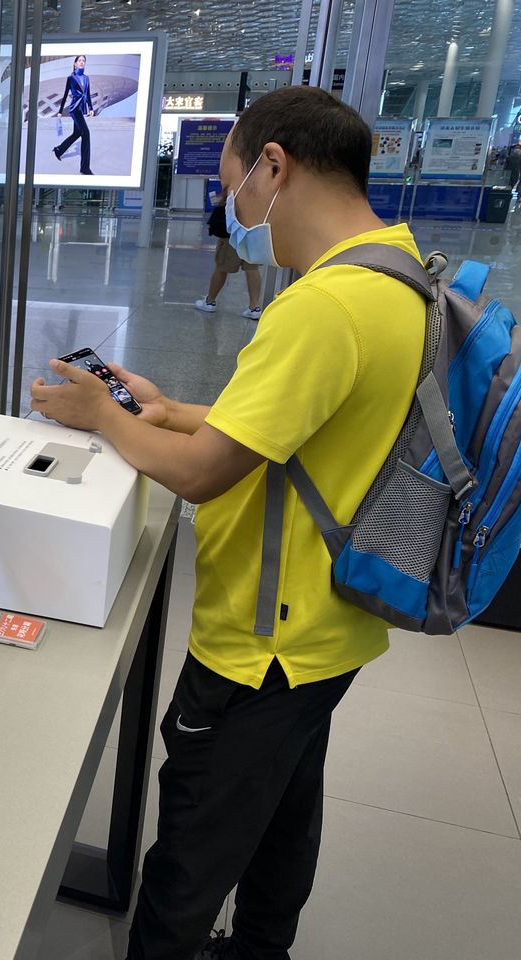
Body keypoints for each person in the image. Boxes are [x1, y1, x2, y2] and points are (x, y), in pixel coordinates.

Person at [30, 86, 427, 960]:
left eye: (233, 181)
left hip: (261, 641)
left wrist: (105, 417)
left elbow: (205, 476)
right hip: (333, 626)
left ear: (275, 167)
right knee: (284, 819)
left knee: (190, 859)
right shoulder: (397, 271)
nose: (231, 205)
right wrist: (163, 408)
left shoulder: (322, 305)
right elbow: (292, 425)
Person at [196, 190, 262, 320]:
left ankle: (210, 301)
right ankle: (254, 307)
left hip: (233, 230)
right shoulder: (261, 176)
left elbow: (225, 198)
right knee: (252, 268)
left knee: (222, 267)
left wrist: (218, 198)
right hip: (253, 228)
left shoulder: (236, 175)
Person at [52, 55, 94, 176]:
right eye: (79, 60)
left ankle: (59, 150)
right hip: (74, 109)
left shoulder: (86, 78)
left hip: (82, 109)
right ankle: (85, 168)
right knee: (86, 133)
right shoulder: (71, 78)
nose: (82, 62)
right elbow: (65, 95)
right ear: (75, 63)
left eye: (83, 61)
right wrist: (60, 111)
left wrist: (91, 108)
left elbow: (88, 94)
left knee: (77, 133)